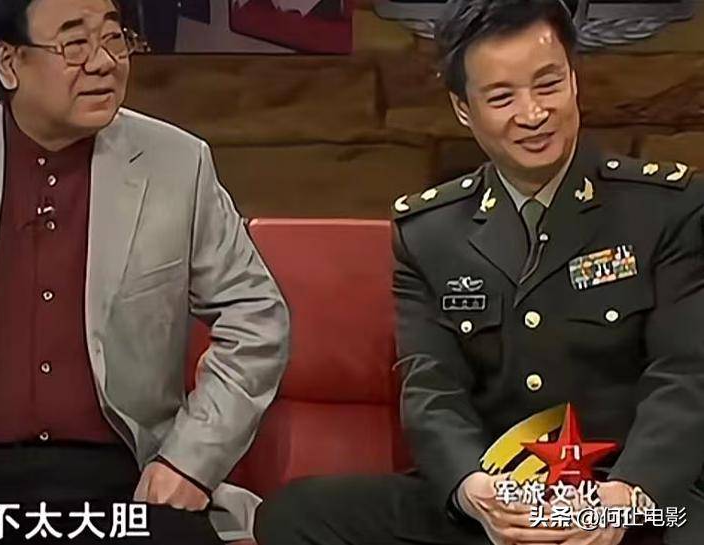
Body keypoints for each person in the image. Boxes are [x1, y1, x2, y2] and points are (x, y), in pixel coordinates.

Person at [255, 1, 704, 545]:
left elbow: (686, 374)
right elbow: (432, 385)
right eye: (501, 97)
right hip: (500, 500)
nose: (533, 114)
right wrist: (473, 490)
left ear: (574, 81)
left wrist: (626, 497)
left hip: (634, 503)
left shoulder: (666, 208)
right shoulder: (429, 233)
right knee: (297, 515)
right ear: (463, 108)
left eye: (548, 85)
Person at [0, 0, 289, 543]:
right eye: (75, 44)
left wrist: (189, 462)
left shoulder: (177, 164)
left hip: (125, 479)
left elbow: (256, 317)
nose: (104, 62)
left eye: (114, 38)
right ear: (9, 63)